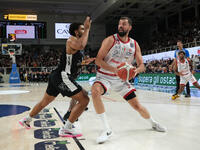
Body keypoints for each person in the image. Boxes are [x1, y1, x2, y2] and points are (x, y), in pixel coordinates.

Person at [91, 16, 166, 144]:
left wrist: (136, 71)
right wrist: (114, 70)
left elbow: (142, 65)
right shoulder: (110, 40)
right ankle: (107, 129)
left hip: (121, 80)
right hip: (105, 76)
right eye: (120, 24)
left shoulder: (134, 44)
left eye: (124, 24)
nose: (121, 26)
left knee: (137, 106)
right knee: (95, 92)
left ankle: (153, 123)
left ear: (129, 27)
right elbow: (98, 60)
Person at [19, 16, 92, 137]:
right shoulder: (71, 40)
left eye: (85, 29)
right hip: (62, 76)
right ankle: (66, 128)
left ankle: (26, 119)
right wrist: (88, 29)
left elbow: (72, 60)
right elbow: (82, 45)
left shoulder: (75, 42)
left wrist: (85, 62)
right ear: (76, 31)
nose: (84, 31)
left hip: (57, 76)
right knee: (84, 99)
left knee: (44, 102)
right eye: (82, 29)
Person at [63, 55, 95, 121]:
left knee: (85, 93)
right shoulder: (78, 64)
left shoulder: (82, 67)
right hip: (67, 81)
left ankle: (82, 106)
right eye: (87, 59)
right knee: (76, 96)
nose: (88, 61)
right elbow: (78, 64)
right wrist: (85, 61)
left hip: (71, 81)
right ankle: (69, 113)